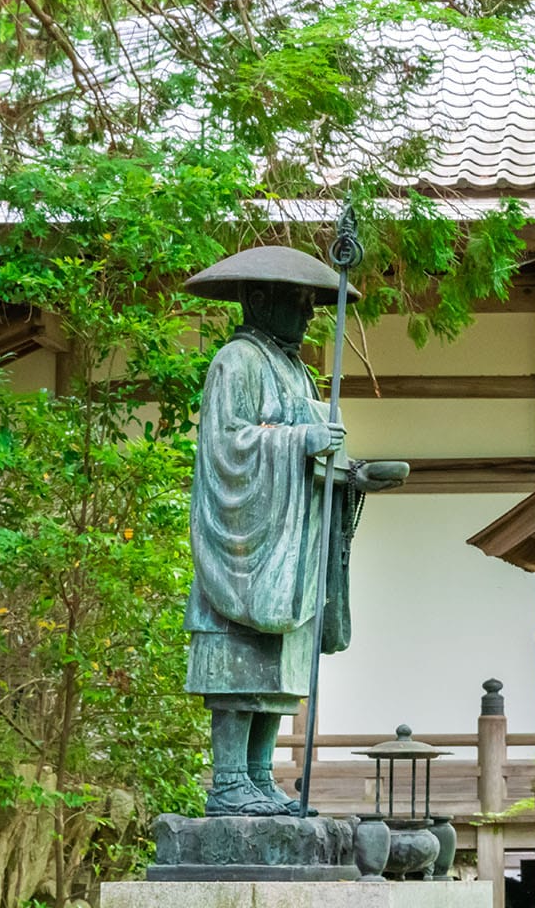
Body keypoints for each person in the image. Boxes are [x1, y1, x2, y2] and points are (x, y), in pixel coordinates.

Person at [181, 245, 406, 816]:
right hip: (246, 549)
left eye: (312, 304)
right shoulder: (237, 360)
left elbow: (318, 452)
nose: (308, 316)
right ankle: (228, 780)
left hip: (290, 550)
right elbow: (228, 446)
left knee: (276, 671)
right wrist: (298, 442)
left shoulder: (294, 367)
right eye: (299, 303)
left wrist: (352, 475)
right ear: (259, 299)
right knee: (239, 665)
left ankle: (258, 775)